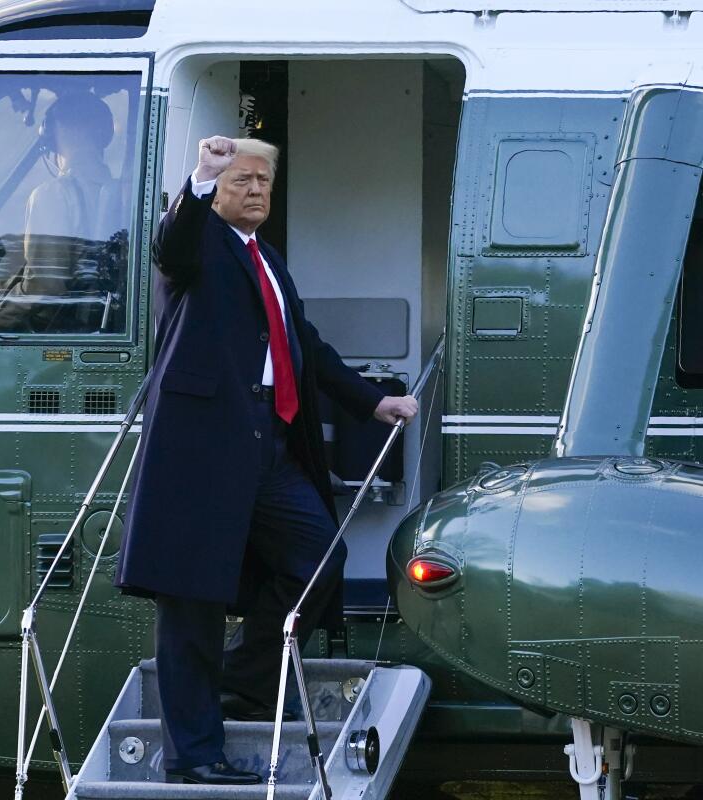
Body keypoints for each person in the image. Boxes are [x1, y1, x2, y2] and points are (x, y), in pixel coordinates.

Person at [115, 135, 418, 785]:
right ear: (215, 190)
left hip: (267, 441)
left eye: (263, 183)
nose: (254, 191)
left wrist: (372, 403)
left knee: (318, 560)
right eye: (240, 181)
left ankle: (240, 680)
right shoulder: (197, 244)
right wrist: (198, 179)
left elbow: (304, 344)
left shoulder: (267, 258)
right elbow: (171, 244)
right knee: (190, 599)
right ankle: (193, 756)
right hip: (202, 446)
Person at [0, 89, 118, 331]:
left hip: (57, 332)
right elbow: (31, 276)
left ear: (53, 133)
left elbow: (46, 285)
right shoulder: (120, 193)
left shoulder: (52, 195)